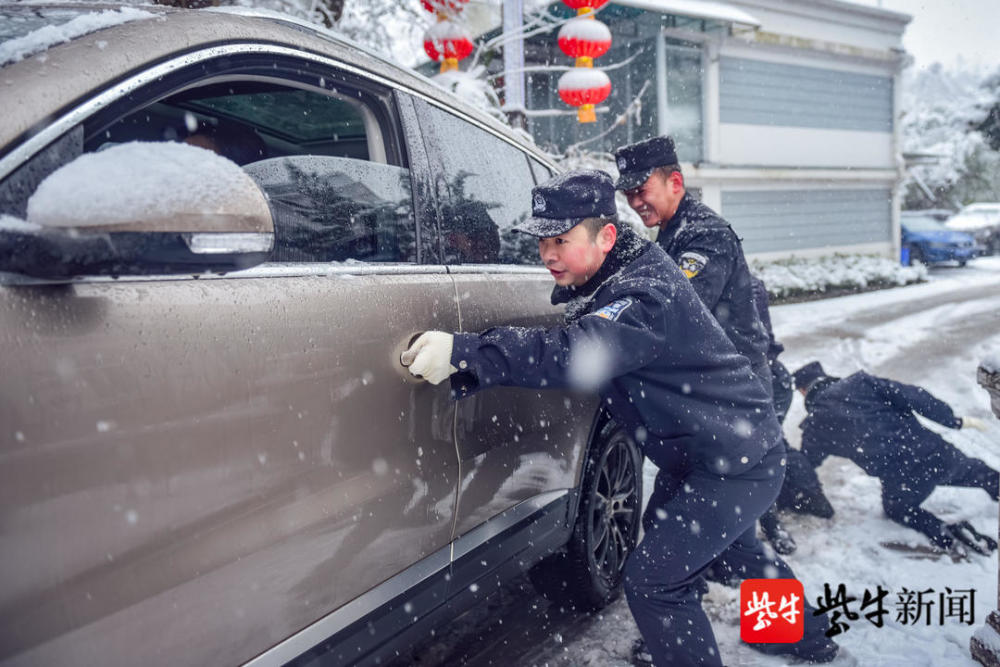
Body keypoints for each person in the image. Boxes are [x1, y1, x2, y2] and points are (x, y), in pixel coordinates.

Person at [402, 170, 837, 666]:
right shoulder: (619, 276)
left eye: (561, 240)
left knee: (656, 578)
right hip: (715, 450)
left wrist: (467, 352)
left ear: (606, 236)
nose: (547, 253)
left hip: (733, 460)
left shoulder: (645, 293)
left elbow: (579, 351)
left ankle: (685, 647)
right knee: (723, 547)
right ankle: (798, 636)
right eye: (543, 240)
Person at [613, 136, 770, 389]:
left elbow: (681, 308)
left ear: (674, 182)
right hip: (712, 375)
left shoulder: (706, 233)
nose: (634, 203)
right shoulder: (673, 228)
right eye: (629, 194)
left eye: (641, 191)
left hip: (734, 382)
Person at [794, 361, 997, 555]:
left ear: (804, 391)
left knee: (899, 509)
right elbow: (916, 397)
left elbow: (805, 464)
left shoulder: (815, 424)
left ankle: (943, 532)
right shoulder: (861, 383)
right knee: (978, 473)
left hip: (901, 476)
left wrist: (800, 496)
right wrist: (950, 420)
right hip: (933, 452)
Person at [750, 278, 834, 555]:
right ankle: (792, 500)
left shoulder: (744, 285)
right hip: (756, 379)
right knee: (763, 451)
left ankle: (772, 522)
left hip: (765, 380)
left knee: (763, 453)